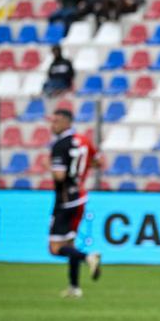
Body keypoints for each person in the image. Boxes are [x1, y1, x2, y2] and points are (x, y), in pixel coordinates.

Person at [48, 109, 102, 298]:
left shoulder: (60, 145)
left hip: (64, 199)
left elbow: (59, 175)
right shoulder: (84, 140)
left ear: (66, 122)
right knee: (70, 242)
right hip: (80, 196)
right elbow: (98, 162)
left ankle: (88, 257)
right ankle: (74, 287)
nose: (52, 125)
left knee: (55, 248)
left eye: (56, 121)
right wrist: (81, 173)